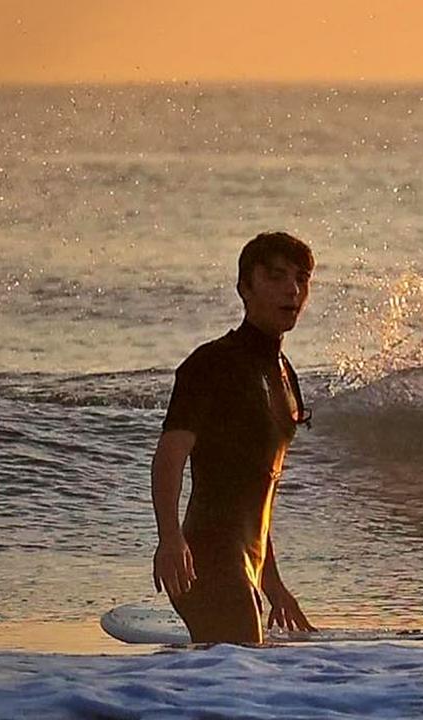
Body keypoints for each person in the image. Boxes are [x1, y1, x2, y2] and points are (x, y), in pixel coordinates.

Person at [151, 231, 317, 643]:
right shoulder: (212, 364)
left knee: (239, 686)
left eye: (301, 278)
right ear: (245, 287)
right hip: (206, 560)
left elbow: (257, 487)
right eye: (277, 277)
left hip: (246, 563)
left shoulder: (284, 373)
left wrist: (272, 581)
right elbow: (170, 455)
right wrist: (170, 539)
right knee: (241, 688)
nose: (293, 289)